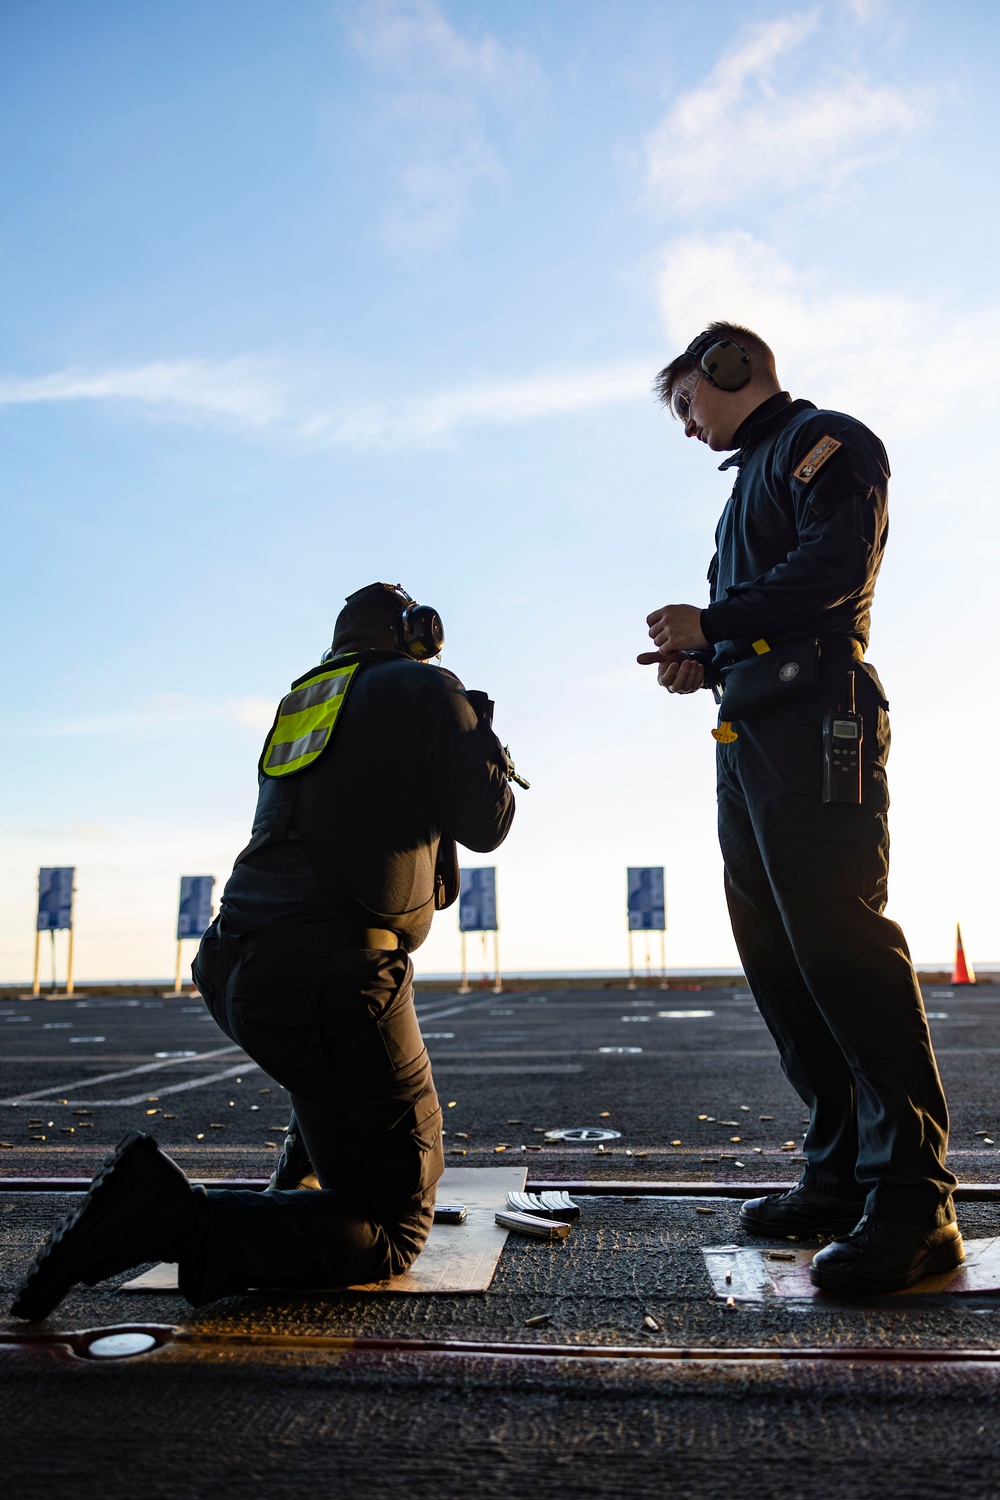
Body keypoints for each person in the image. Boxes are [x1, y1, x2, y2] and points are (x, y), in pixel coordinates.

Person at [11, 582, 515, 1320]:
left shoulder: (304, 701)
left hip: (239, 962)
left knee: (333, 1064)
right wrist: (482, 734)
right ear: (415, 631)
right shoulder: (425, 686)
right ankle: (167, 1216)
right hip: (334, 973)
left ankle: (292, 1190)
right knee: (390, 1228)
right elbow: (487, 823)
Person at [639, 323, 962, 1295]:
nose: (689, 431)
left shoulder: (826, 442)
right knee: (780, 962)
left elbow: (834, 571)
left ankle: (914, 1203)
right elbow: (765, 608)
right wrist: (706, 663)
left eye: (688, 405)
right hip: (751, 734)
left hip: (819, 720)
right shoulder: (748, 486)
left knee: (840, 949)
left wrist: (719, 623)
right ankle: (838, 1176)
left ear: (729, 369)